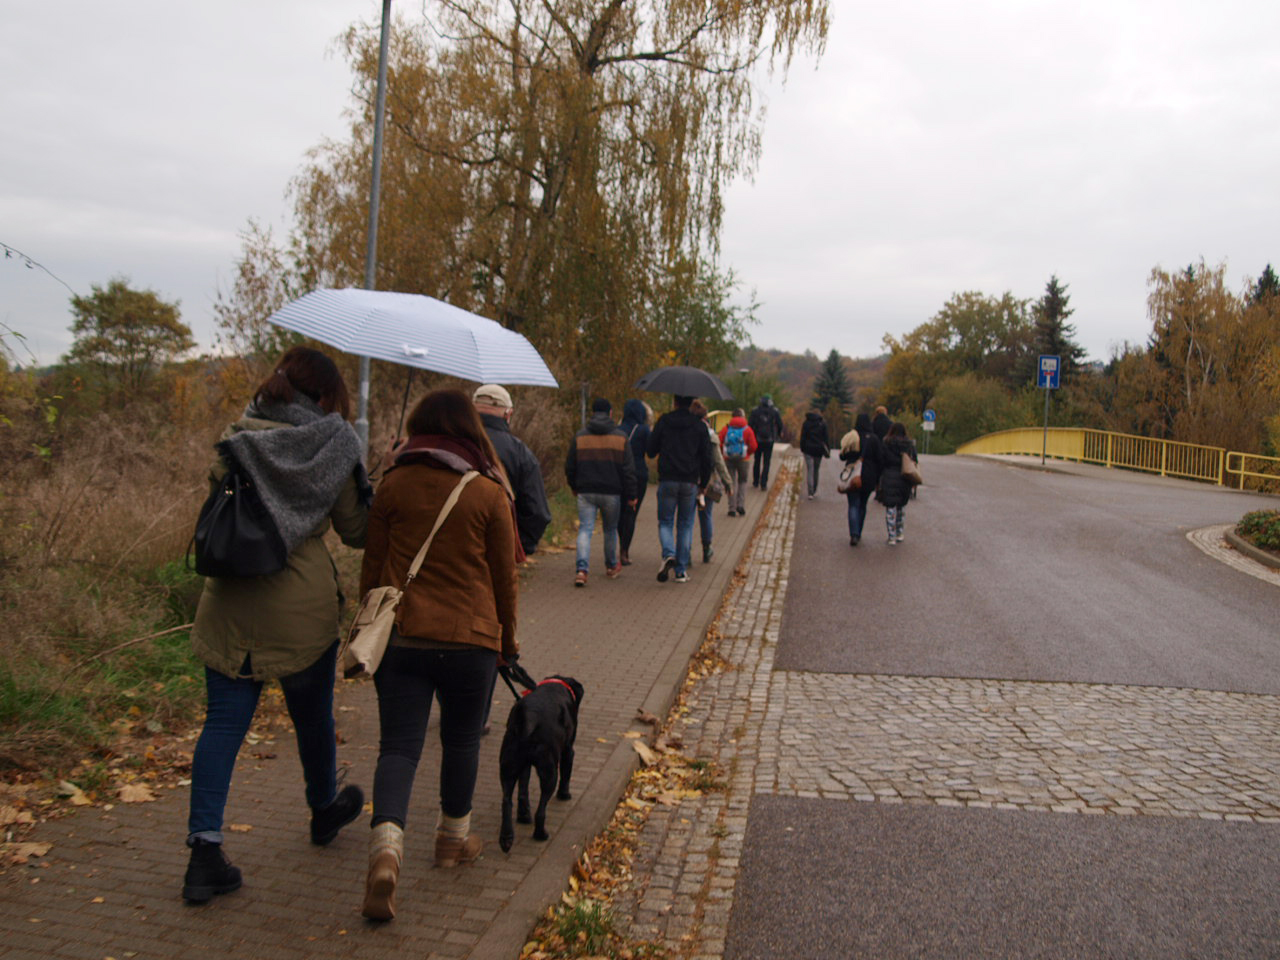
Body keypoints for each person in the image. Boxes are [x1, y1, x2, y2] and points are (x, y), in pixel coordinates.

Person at [183, 346, 370, 904]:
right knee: (312, 720)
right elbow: (356, 531)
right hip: (301, 612)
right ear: (327, 393)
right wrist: (366, 485)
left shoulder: (239, 431)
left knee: (222, 727)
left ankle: (204, 854)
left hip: (230, 604)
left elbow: (219, 494)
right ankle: (322, 810)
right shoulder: (336, 444)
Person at [358, 389, 520, 921]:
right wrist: (508, 641)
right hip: (471, 639)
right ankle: (453, 840)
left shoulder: (394, 483)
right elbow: (505, 579)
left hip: (403, 636)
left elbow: (374, 567)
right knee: (461, 739)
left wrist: (365, 627)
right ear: (469, 428)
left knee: (399, 747)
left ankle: (386, 848)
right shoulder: (489, 491)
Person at [565, 398, 637, 586]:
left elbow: (570, 465)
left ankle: (581, 570)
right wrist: (631, 495)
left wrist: (574, 485)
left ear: (592, 413)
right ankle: (611, 566)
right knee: (610, 529)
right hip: (612, 492)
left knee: (585, 529)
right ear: (611, 413)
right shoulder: (621, 438)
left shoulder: (580, 437)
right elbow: (628, 470)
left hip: (586, 491)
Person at [473, 384, 551, 557]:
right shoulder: (519, 452)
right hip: (498, 549)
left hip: (452, 551)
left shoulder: (450, 443)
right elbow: (537, 511)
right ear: (508, 414)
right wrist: (517, 547)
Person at [646, 394, 712, 584]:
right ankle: (681, 571)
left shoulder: (664, 421)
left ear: (675, 402)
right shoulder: (699, 426)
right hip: (690, 481)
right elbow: (706, 458)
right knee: (685, 524)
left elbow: (650, 450)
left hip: (668, 479)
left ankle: (668, 553)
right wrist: (703, 483)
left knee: (665, 521)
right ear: (691, 403)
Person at [693, 400, 734, 563]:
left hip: (689, 479)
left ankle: (684, 554)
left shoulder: (687, 431)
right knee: (706, 515)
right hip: (708, 481)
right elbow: (718, 461)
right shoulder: (710, 434)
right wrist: (728, 483)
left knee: (686, 519)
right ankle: (706, 548)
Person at [617, 399, 651, 566]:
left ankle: (620, 542)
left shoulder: (617, 429)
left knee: (620, 511)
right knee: (631, 512)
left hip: (618, 474)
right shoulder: (644, 430)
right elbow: (651, 452)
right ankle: (624, 550)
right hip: (638, 474)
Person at [876, 421, 919, 545]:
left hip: (889, 475)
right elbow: (914, 460)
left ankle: (891, 536)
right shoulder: (909, 444)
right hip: (905, 477)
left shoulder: (886, 443)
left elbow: (881, 460)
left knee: (890, 507)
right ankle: (900, 532)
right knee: (901, 506)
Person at [843, 412, 883, 546]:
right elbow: (879, 459)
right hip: (869, 475)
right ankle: (858, 531)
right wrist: (878, 478)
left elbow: (843, 456)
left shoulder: (852, 437)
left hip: (853, 474)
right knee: (863, 504)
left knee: (853, 504)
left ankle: (853, 533)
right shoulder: (874, 439)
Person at [718, 407, 757, 517]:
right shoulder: (747, 429)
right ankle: (741, 505)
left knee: (731, 483)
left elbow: (719, 443)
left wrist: (724, 452)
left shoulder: (726, 429)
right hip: (743, 460)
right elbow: (754, 446)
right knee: (743, 482)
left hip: (728, 459)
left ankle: (731, 508)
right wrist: (747, 453)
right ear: (743, 416)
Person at [747, 394, 785, 490]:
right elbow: (780, 424)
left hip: (757, 439)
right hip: (769, 440)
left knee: (757, 460)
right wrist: (780, 433)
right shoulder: (774, 411)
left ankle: (755, 481)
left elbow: (750, 424)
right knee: (767, 462)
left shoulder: (755, 411)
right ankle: (763, 484)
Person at [799, 409, 831, 500]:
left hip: (808, 449)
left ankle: (810, 491)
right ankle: (814, 489)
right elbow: (826, 438)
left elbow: (803, 436)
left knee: (810, 469)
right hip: (818, 450)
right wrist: (827, 450)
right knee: (816, 470)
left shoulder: (806, 423)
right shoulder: (822, 424)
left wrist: (802, 447)